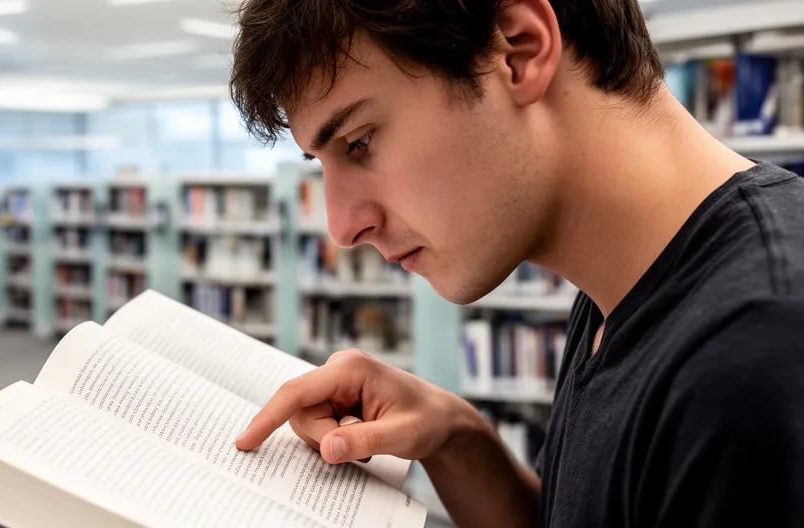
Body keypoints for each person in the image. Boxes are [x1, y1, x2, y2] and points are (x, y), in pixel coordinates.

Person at [227, 0, 804, 526]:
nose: (342, 227)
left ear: (518, 53)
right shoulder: (624, 286)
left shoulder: (758, 353)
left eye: (360, 141)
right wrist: (455, 439)